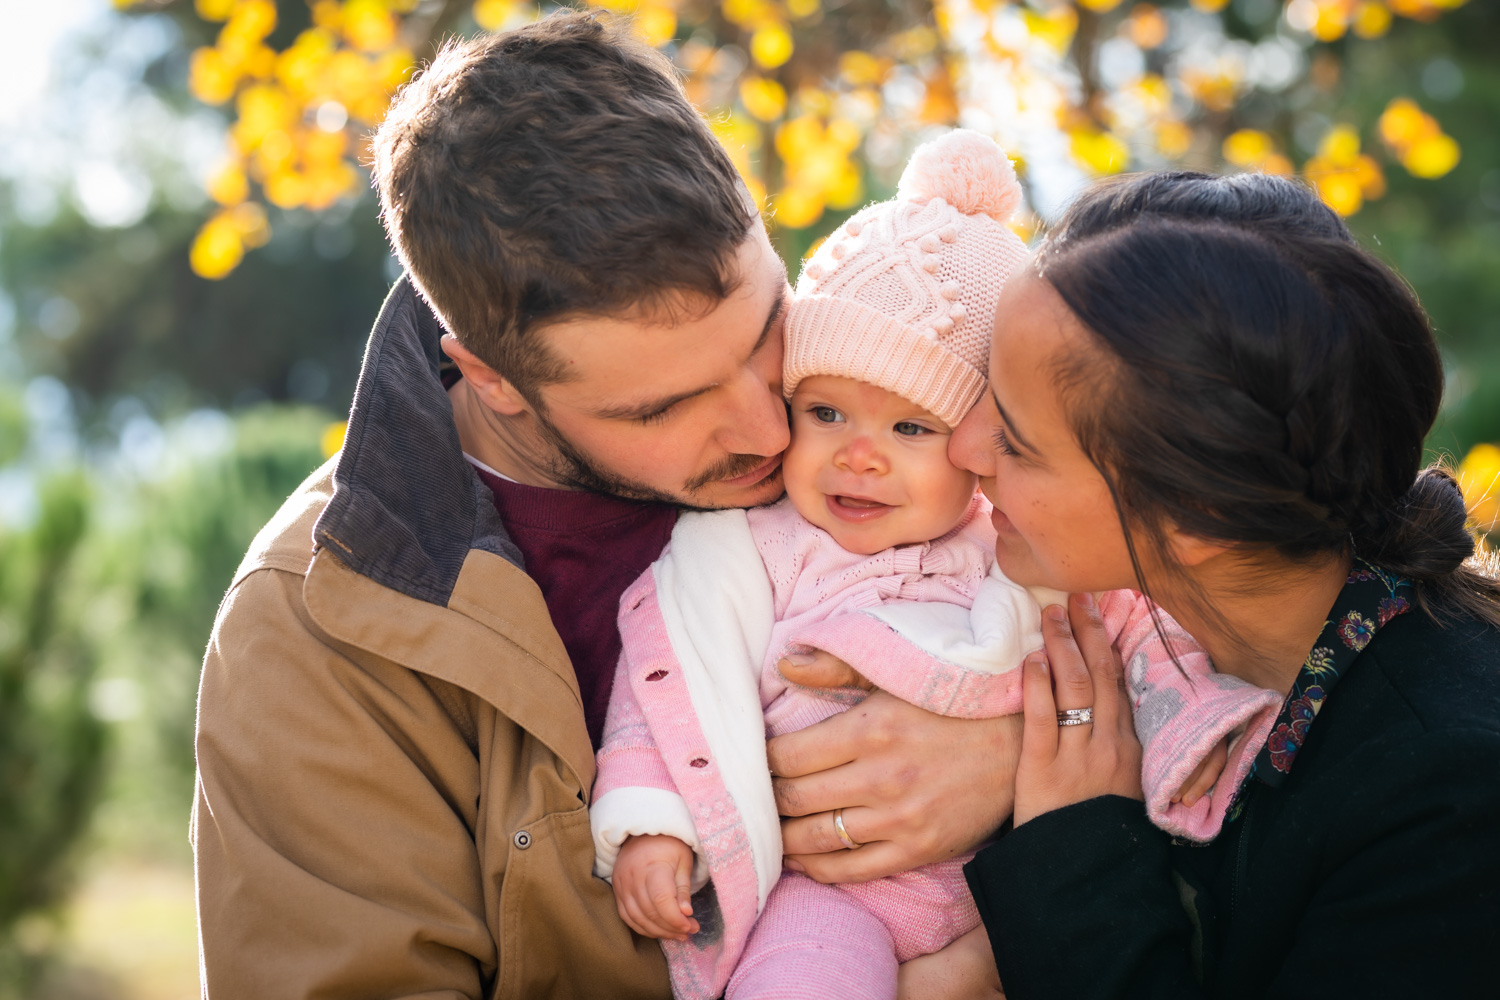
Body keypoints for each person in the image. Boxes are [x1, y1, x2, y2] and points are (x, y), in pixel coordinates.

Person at [192, 12, 1022, 998]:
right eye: (665, 407)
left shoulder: (897, 444)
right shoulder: (316, 631)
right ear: (493, 378)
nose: (769, 429)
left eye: (766, 327)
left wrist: (1015, 758)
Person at [589, 133, 1281, 1000]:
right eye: (826, 412)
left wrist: (1197, 738)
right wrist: (652, 823)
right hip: (830, 892)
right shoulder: (752, 550)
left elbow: (1145, 647)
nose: (860, 455)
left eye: (911, 428)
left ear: (982, 441)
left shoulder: (1021, 548)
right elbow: (668, 689)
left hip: (1010, 871)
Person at [942, 170, 1500, 996]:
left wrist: (1078, 850)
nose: (962, 447)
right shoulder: (1178, 633)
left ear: (1195, 517)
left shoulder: (1450, 808)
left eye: (1017, 441)